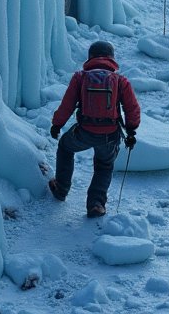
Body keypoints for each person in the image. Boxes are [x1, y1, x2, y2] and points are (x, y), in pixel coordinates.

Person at [48, 40, 141, 218]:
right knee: (104, 165)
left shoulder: (80, 77)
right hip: (110, 135)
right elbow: (132, 108)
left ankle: (61, 188)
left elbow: (67, 105)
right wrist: (131, 131)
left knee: (66, 147)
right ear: (111, 58)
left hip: (84, 131)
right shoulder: (120, 81)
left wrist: (57, 124)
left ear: (91, 57)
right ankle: (96, 204)